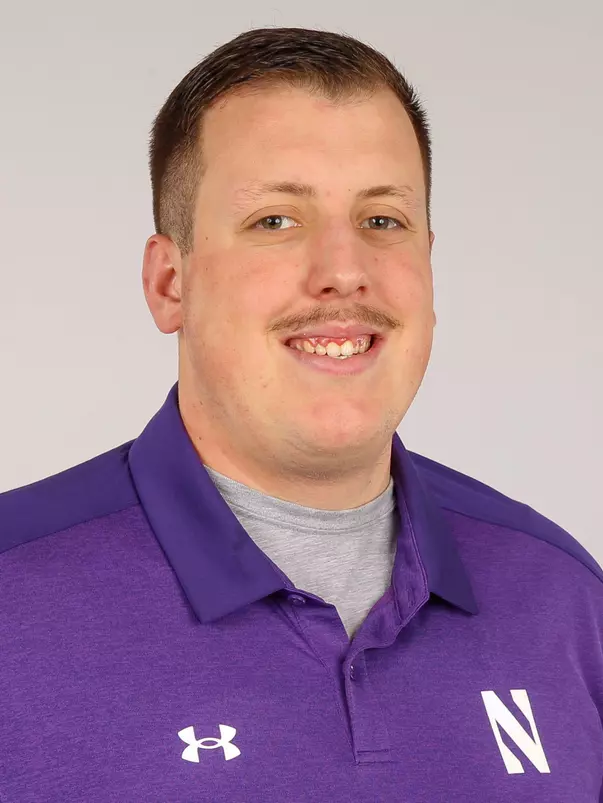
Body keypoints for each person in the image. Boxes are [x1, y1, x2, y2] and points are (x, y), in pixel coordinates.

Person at [1, 26, 601, 803]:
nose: (343, 271)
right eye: (275, 221)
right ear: (169, 283)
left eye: (381, 220)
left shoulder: (562, 596)